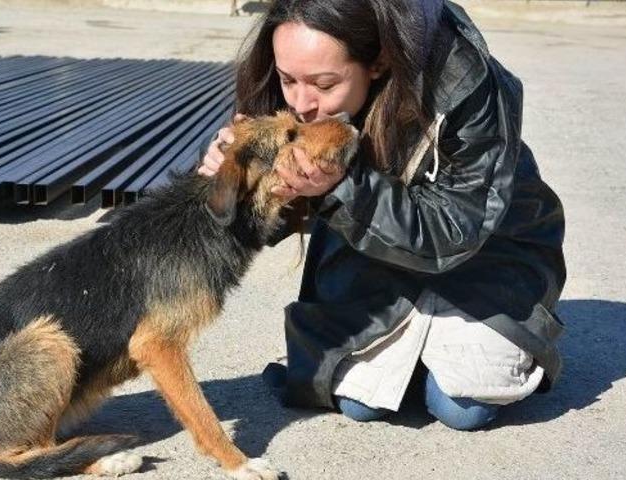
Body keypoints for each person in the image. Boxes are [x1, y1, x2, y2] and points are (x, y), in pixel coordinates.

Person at [198, 0, 566, 431]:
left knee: (462, 409)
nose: (301, 102)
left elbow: (454, 231)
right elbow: (259, 225)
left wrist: (339, 188)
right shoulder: (291, 100)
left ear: (378, 62)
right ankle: (407, 356)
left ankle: (475, 345)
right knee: (361, 405)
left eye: (324, 83)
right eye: (288, 79)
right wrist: (232, 179)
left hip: (484, 256)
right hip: (375, 254)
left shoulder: (466, 85)